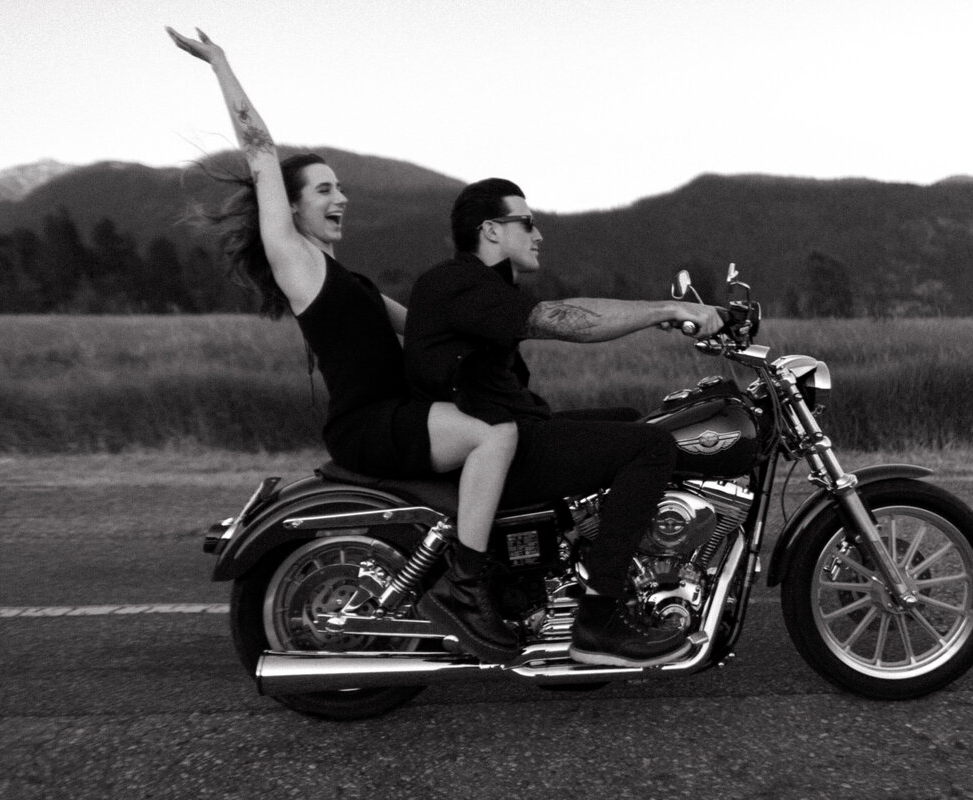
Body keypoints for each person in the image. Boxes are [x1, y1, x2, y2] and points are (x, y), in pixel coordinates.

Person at [167, 28, 520, 663]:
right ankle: (470, 586)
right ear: (292, 210)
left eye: (339, 187)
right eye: (323, 190)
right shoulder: (296, 261)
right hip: (371, 423)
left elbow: (420, 328)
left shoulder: (348, 279)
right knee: (493, 436)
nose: (341, 197)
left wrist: (504, 323)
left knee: (510, 424)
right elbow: (260, 152)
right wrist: (220, 63)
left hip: (400, 411)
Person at [404, 178, 725, 667]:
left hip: (514, 430)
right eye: (527, 223)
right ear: (490, 230)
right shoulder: (461, 284)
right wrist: (665, 308)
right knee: (650, 446)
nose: (538, 235)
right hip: (498, 447)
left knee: (627, 421)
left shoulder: (482, 286)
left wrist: (655, 315)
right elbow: (562, 319)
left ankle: (582, 569)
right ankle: (597, 621)